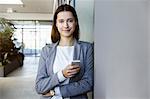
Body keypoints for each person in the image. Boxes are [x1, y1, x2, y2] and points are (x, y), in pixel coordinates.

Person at [35, 4, 94, 99]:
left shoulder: (86, 48)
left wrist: (56, 92)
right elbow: (39, 86)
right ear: (56, 24)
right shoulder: (46, 51)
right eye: (61, 21)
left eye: (70, 21)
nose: (66, 25)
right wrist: (62, 74)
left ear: (76, 22)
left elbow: (88, 83)